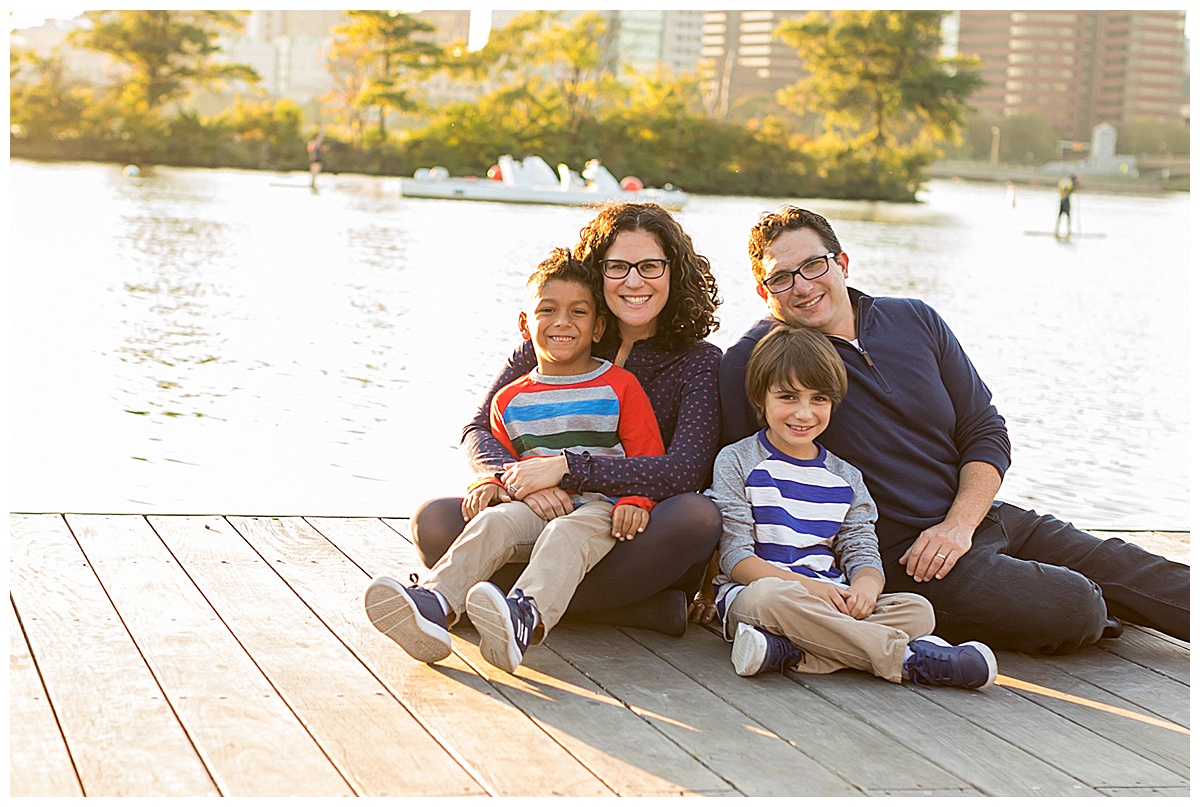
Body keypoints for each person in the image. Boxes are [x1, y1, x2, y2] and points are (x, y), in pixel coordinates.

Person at [717, 205, 1189, 655]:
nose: (801, 286)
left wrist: (960, 523)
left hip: (977, 515)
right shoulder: (759, 359)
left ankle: (1105, 602)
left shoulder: (913, 319)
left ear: (841, 263)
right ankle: (1094, 608)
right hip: (905, 558)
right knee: (1074, 606)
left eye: (814, 266)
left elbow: (984, 428)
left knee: (1140, 570)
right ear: (764, 292)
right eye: (780, 277)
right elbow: (739, 474)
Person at [409, 203, 724, 636]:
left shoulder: (697, 361)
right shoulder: (564, 333)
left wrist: (566, 469)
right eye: (617, 267)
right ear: (598, 272)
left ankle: (503, 598)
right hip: (538, 515)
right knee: (435, 521)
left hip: (631, 529)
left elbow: (685, 469)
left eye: (650, 266)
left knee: (698, 516)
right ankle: (633, 611)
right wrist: (514, 481)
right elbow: (479, 428)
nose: (634, 281)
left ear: (674, 272)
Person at [365, 249, 665, 673]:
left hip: (599, 508)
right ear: (526, 325)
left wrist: (635, 501)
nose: (562, 322)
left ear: (598, 327)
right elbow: (507, 463)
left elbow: (647, 456)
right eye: (548, 310)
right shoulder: (510, 398)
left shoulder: (619, 385)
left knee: (565, 533)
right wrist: (491, 483)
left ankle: (525, 615)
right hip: (532, 508)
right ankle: (435, 605)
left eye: (578, 312)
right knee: (493, 523)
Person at [709, 324, 997, 688]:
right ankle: (906, 660)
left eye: (818, 399)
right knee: (772, 598)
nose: (804, 413)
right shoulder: (737, 461)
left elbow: (862, 550)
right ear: (760, 398)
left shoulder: (846, 477)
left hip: (831, 599)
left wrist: (865, 587)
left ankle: (793, 652)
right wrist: (808, 589)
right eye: (787, 397)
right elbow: (736, 560)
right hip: (758, 598)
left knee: (917, 610)